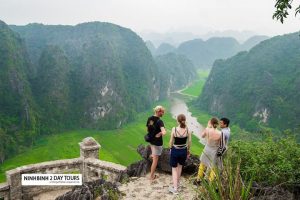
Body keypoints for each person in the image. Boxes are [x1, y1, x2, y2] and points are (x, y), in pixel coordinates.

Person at [168, 114, 192, 194]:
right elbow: (189, 141)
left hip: (175, 150)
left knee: (174, 169)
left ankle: (175, 189)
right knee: (180, 167)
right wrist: (188, 150)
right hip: (183, 150)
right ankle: (177, 184)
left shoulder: (174, 129)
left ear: (178, 121)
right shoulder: (188, 130)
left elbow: (171, 141)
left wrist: (170, 148)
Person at [195, 117, 221, 183]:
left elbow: (202, 136)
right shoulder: (220, 133)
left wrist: (207, 127)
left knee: (202, 164)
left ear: (211, 123)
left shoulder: (208, 129)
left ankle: (198, 179)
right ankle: (210, 182)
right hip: (214, 150)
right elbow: (221, 144)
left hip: (207, 148)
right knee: (213, 167)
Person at [146, 105, 166, 181]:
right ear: (158, 111)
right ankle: (151, 176)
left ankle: (152, 155)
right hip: (157, 142)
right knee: (155, 160)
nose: (163, 113)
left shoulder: (150, 119)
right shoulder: (160, 121)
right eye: (162, 112)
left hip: (151, 140)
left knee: (153, 155)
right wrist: (160, 133)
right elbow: (164, 132)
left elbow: (148, 129)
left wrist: (153, 134)